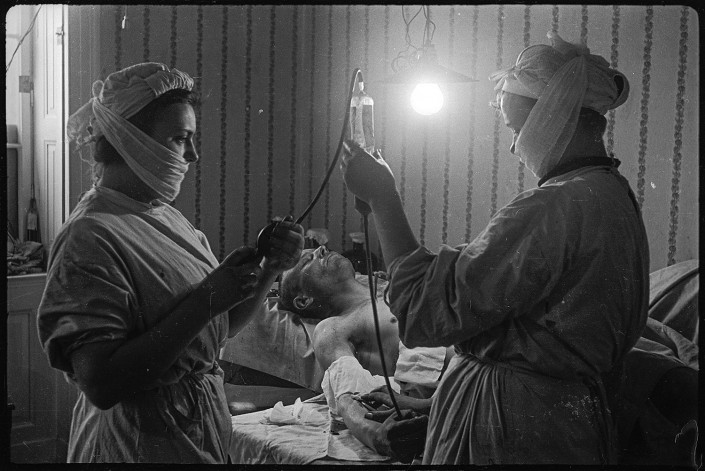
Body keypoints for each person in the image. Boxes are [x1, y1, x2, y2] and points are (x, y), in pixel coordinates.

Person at [341, 31, 650, 465]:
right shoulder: (613, 195)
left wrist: (382, 197)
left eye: (516, 129)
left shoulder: (554, 207)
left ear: (552, 116)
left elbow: (425, 310)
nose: (513, 145)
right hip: (564, 424)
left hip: (511, 430)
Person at [36, 62, 304, 463]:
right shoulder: (90, 236)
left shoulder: (166, 217)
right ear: (131, 141)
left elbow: (214, 331)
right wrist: (206, 299)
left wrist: (268, 270)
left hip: (193, 433)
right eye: (180, 139)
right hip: (134, 443)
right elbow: (102, 383)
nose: (192, 155)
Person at [278, 245, 453, 459]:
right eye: (308, 260)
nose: (322, 249)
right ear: (304, 300)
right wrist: (376, 435)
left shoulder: (391, 291)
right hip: (457, 389)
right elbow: (347, 397)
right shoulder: (334, 326)